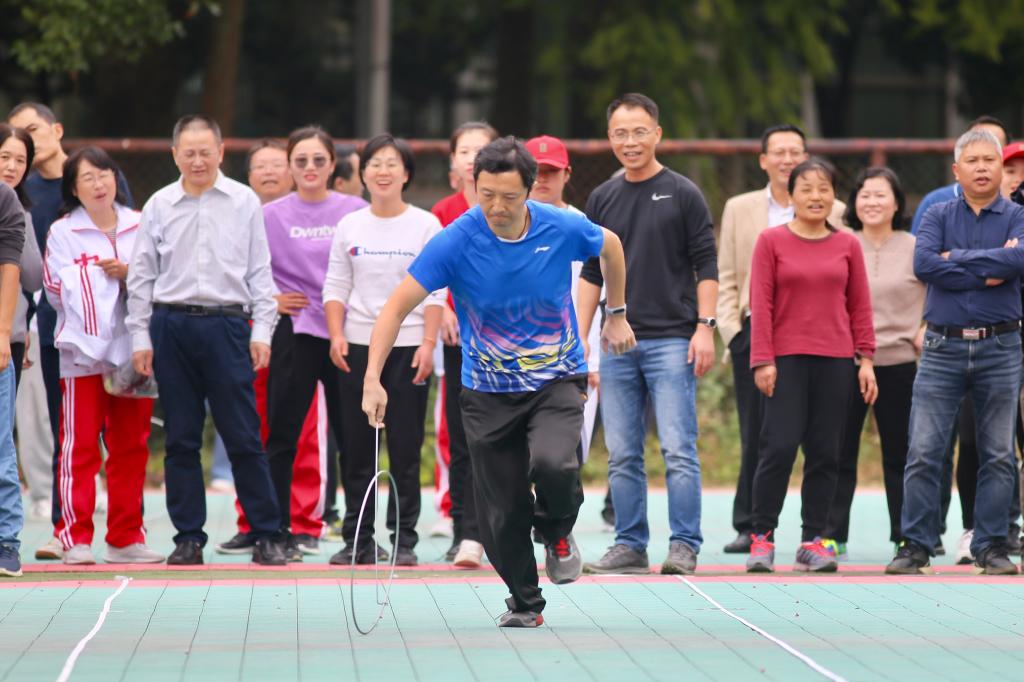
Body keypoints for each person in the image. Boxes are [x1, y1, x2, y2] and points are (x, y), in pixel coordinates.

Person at [361, 136, 634, 627]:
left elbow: (611, 246)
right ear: (473, 186)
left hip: (556, 378)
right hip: (487, 393)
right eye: (486, 194)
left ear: (530, 190)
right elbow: (395, 308)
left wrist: (616, 313)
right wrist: (372, 378)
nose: (497, 207)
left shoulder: (560, 225)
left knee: (554, 464)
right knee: (501, 513)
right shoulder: (456, 240)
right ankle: (526, 603)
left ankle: (556, 531)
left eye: (509, 197)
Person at [127, 114, 284, 566]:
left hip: (227, 326)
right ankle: (188, 538)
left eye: (205, 152)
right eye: (189, 153)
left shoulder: (243, 201)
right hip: (171, 326)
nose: (198, 161)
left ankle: (266, 532)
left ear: (221, 152)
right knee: (181, 438)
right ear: (175, 155)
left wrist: (262, 331)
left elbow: (260, 271)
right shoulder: (159, 204)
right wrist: (140, 337)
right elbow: (141, 276)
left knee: (243, 434)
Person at [579, 93, 718, 576]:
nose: (630, 141)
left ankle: (684, 544)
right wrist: (580, 340)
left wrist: (705, 328)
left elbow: (706, 264)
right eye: (620, 133)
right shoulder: (602, 197)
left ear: (657, 134)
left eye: (640, 132)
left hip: (673, 340)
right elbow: (591, 273)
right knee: (621, 453)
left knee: (678, 449)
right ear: (609, 138)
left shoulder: (683, 192)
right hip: (616, 344)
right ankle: (630, 544)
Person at [886, 129, 1024, 576]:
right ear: (956, 170)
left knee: (998, 453)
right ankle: (917, 544)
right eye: (973, 160)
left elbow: (1018, 261)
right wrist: (990, 266)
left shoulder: (1018, 216)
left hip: (1000, 345)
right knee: (925, 449)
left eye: (990, 160)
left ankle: (991, 545)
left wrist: (955, 259)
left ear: (1001, 168)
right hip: (942, 345)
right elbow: (925, 264)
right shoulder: (937, 213)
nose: (982, 167)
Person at [7, 102, 132, 561]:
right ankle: (67, 531)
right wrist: (23, 322)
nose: (25, 144)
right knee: (69, 435)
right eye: (14, 140)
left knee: (125, 437)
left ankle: (126, 532)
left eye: (32, 130)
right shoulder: (19, 192)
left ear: (57, 129)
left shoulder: (99, 178)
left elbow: (130, 242)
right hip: (56, 331)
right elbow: (33, 272)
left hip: (121, 335)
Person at [716, 124, 846, 554]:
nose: (787, 158)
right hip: (755, 334)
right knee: (761, 437)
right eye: (779, 151)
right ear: (763, 160)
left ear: (807, 157)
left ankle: (818, 534)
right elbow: (727, 274)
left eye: (796, 151)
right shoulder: (740, 208)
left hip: (820, 341)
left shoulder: (836, 211)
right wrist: (734, 333)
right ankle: (751, 526)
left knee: (819, 443)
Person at [745, 158, 877, 573]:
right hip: (785, 361)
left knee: (825, 452)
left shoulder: (847, 244)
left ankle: (813, 540)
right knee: (778, 448)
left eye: (824, 189)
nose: (816, 197)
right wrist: (762, 360)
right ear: (791, 196)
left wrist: (866, 359)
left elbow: (860, 306)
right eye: (806, 189)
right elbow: (761, 304)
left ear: (834, 196)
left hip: (836, 360)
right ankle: (762, 537)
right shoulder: (770, 241)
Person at [323, 133, 443, 567]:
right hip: (357, 346)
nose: (383, 171)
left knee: (406, 448)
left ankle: (403, 540)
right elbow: (336, 284)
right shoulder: (349, 225)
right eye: (374, 163)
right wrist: (336, 335)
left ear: (406, 173)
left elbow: (436, 291)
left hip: (410, 346)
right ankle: (358, 538)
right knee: (357, 447)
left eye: (392, 163)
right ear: (363, 174)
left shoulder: (426, 225)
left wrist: (428, 343)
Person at [42, 147, 163, 565]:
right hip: (83, 353)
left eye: (105, 174)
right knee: (80, 445)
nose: (98, 184)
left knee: (131, 445)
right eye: (88, 178)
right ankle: (74, 536)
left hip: (134, 349)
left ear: (116, 178)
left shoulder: (141, 223)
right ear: (73, 189)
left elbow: (162, 276)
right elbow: (55, 289)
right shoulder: (63, 231)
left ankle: (126, 537)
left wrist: (128, 275)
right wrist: (95, 281)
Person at [261, 126, 366, 559]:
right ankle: (276, 531)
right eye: (301, 160)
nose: (309, 168)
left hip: (347, 333)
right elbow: (243, 268)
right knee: (283, 435)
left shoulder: (355, 211)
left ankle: (359, 537)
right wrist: (270, 297)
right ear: (289, 165)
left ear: (332, 165)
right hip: (295, 331)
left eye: (318, 160)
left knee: (353, 436)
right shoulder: (268, 215)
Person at [822, 167, 924, 559]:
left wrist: (925, 327)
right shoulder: (840, 243)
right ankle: (832, 534)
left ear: (897, 202)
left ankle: (905, 535)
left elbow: (938, 292)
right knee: (838, 450)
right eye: (864, 195)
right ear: (854, 202)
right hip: (844, 361)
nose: (872, 202)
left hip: (899, 360)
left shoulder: (915, 246)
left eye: (881, 195)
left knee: (901, 453)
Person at [431, 121, 499, 567]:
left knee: (503, 438)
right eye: (464, 151)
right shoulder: (442, 211)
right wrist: (444, 309)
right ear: (453, 161)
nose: (473, 158)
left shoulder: (512, 204)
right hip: (459, 341)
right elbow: (430, 271)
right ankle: (465, 533)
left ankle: (501, 529)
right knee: (462, 438)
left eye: (481, 149)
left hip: (507, 341)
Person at [525, 135, 602, 459]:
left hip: (571, 358)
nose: (542, 179)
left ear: (567, 174)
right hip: (518, 356)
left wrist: (593, 362)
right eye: (536, 171)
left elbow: (595, 297)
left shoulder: (582, 226)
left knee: (567, 454)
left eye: (551, 171)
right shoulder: (507, 225)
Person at [911, 116, 1010, 234]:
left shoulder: (1015, 203)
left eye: (989, 157)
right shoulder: (935, 202)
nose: (981, 167)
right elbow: (921, 245)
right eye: (975, 140)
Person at [0, 124, 44, 388]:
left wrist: (18, 221)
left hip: (10, 339)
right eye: (4, 157)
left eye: (20, 161)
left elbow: (34, 278)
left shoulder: (23, 215)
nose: (11, 167)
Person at [0, 181, 26, 577]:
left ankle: (6, 540)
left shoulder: (4, 197)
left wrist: (3, 332)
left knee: (1, 444)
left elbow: (11, 266)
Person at [246, 139, 293, 204]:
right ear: (249, 176)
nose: (268, 171)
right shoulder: (239, 207)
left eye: (277, 165)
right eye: (260, 166)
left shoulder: (306, 206)